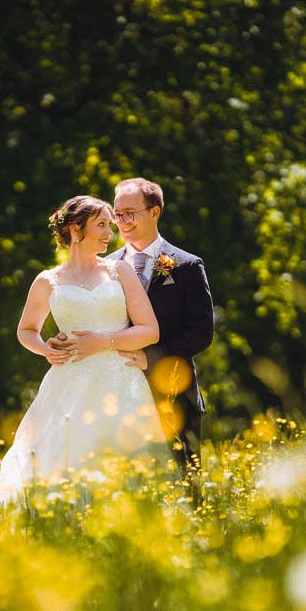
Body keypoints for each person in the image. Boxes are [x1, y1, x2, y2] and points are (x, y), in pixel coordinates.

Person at [0, 195, 171, 510]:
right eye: (101, 225)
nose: (109, 233)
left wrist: (103, 341)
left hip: (121, 382)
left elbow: (149, 330)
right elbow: (26, 330)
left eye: (109, 226)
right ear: (75, 229)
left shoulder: (119, 272)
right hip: (69, 382)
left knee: (126, 465)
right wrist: (46, 350)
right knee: (62, 460)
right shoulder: (48, 281)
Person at [53, 177, 214, 474]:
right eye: (117, 214)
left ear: (154, 212)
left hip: (172, 391)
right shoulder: (105, 266)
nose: (121, 222)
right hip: (114, 393)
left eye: (130, 213)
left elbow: (202, 332)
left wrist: (153, 356)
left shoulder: (187, 265)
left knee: (182, 483)